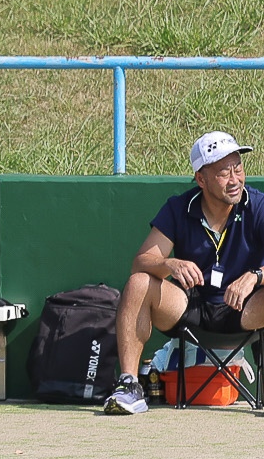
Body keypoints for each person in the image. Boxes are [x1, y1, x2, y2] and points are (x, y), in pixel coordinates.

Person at [100, 130, 264, 414]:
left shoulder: (258, 204)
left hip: (244, 309)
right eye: (223, 173)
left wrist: (255, 276)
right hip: (191, 307)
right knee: (139, 282)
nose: (235, 180)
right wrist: (169, 264)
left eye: (238, 168)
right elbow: (141, 261)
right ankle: (129, 386)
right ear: (201, 179)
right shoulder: (179, 207)